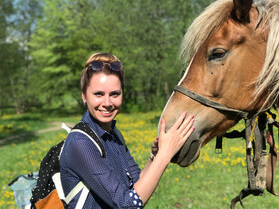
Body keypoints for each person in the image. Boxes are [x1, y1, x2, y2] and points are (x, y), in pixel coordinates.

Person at [59, 52, 195, 208]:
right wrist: (165, 155)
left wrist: (155, 156)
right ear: (84, 95)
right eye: (98, 94)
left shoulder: (113, 134)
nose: (107, 103)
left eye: (115, 94)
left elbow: (137, 185)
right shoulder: (80, 144)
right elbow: (128, 204)